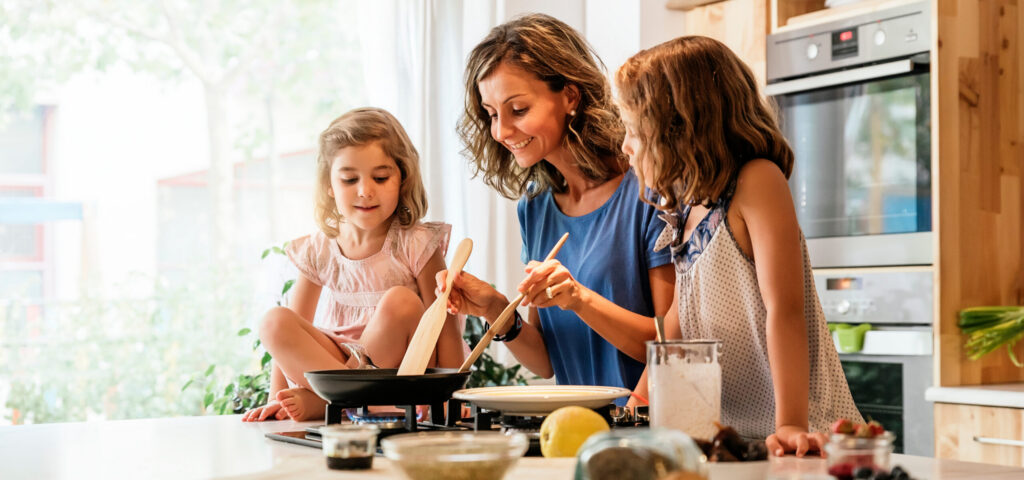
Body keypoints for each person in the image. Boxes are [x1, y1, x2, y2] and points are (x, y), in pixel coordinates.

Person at [614, 36, 863, 455]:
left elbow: (784, 309)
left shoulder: (757, 181)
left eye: (634, 130)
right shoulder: (685, 206)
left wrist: (791, 423)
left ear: (679, 126)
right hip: (733, 439)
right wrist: (634, 408)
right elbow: (677, 325)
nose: (625, 146)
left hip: (802, 433)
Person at [439, 13, 674, 404]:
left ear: (569, 96)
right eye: (492, 114)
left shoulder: (647, 190)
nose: (500, 132)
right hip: (577, 429)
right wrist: (497, 308)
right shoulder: (535, 206)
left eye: (517, 110)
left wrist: (578, 298)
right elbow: (546, 360)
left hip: (645, 431)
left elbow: (672, 346)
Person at [242, 107, 465, 422]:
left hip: (397, 372)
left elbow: (445, 326)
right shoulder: (319, 248)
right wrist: (274, 398)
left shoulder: (416, 242)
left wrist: (448, 399)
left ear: (402, 178)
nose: (365, 190)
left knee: (400, 301)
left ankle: (336, 402)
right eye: (349, 179)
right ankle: (355, 402)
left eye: (381, 177)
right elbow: (295, 325)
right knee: (274, 321)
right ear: (330, 186)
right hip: (338, 363)